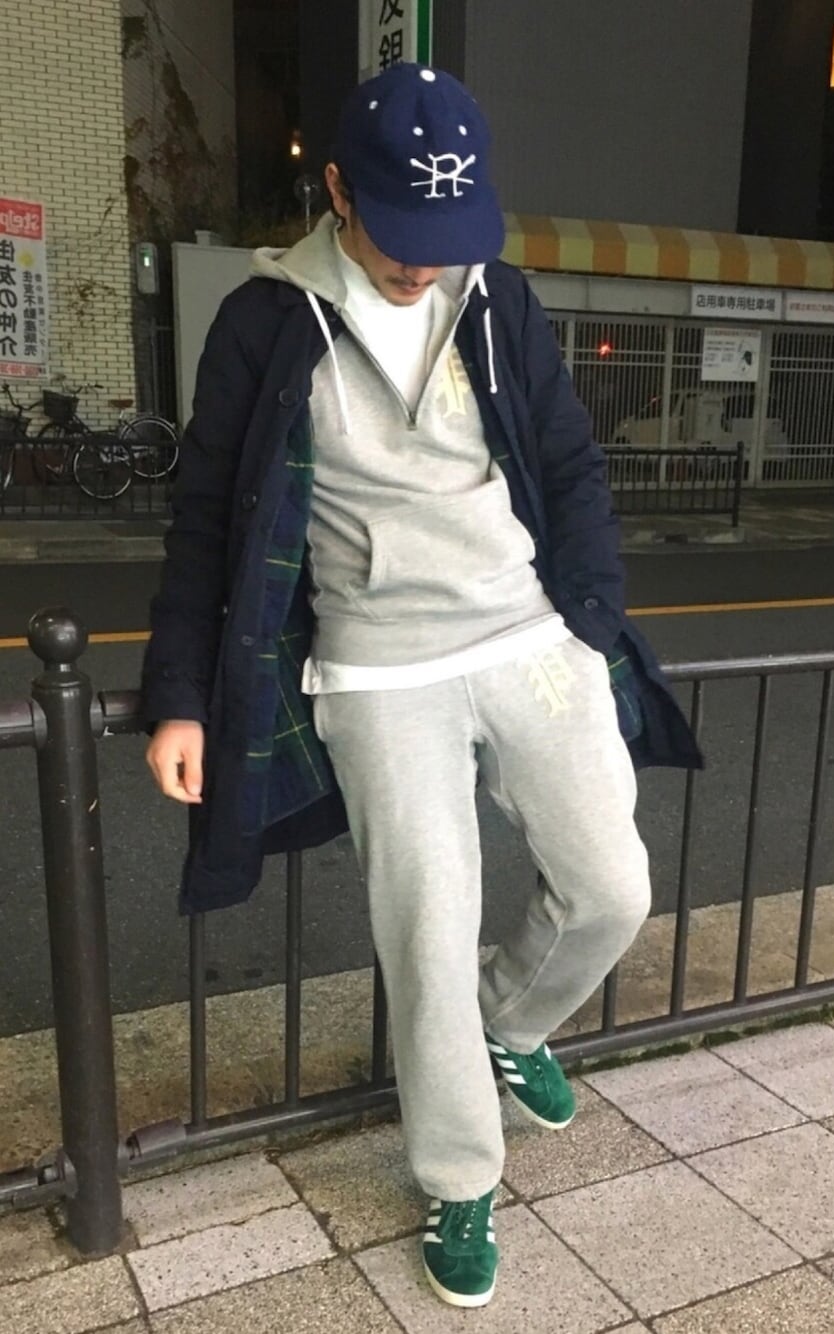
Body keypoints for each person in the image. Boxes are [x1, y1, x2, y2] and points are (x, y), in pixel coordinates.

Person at [142, 62, 700, 1309]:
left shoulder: (497, 297)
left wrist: (588, 621)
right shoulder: (266, 321)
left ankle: (512, 1023)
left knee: (612, 884)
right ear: (338, 189)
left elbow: (568, 462)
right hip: (378, 662)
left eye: (445, 232)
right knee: (428, 927)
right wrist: (179, 694)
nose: (422, 262)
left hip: (526, 635)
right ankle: (459, 1174)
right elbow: (206, 523)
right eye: (399, 229)